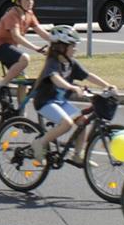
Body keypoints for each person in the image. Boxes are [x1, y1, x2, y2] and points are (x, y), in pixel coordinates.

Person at [29, 27, 115, 163]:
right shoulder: (53, 62)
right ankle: (40, 143)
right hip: (45, 102)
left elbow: (88, 75)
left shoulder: (71, 63)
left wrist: (107, 85)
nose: (75, 49)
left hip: (60, 102)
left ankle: (77, 155)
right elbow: (54, 78)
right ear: (62, 47)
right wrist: (70, 87)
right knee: (67, 123)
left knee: (82, 122)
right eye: (72, 45)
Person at [0, 0, 51, 92]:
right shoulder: (12, 15)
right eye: (27, 0)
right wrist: (37, 49)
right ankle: (1, 86)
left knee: (23, 82)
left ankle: (19, 109)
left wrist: (59, 41)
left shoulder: (29, 14)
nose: (30, 2)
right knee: (25, 58)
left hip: (10, 48)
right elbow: (17, 36)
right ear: (17, 2)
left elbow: (41, 32)